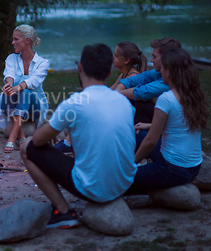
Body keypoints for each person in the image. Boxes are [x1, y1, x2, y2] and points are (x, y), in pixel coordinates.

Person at [20, 44, 137, 228]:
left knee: (26, 146)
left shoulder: (75, 103)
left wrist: (45, 131)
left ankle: (63, 211)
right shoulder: (123, 101)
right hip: (125, 183)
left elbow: (37, 141)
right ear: (108, 73)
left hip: (92, 188)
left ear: (80, 67)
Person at [125, 48, 208, 194]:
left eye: (162, 68)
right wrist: (149, 125)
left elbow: (151, 141)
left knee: (118, 179)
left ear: (168, 71)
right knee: (138, 132)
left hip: (173, 168)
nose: (160, 72)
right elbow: (180, 126)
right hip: (194, 168)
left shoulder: (166, 99)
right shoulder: (193, 94)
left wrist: (131, 164)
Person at [56, 41, 149, 153]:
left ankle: (68, 144)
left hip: (131, 124)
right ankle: (69, 143)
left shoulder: (133, 77)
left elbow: (111, 98)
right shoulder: (124, 75)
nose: (112, 57)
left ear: (126, 60)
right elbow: (108, 91)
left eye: (116, 55)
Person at [0, 25, 49, 153]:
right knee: (9, 89)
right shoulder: (11, 58)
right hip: (12, 104)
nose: (13, 43)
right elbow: (9, 75)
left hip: (33, 108)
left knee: (26, 90)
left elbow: (33, 82)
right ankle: (21, 134)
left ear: (27, 40)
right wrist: (9, 84)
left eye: (16, 39)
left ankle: (12, 137)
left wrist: (18, 87)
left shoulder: (43, 63)